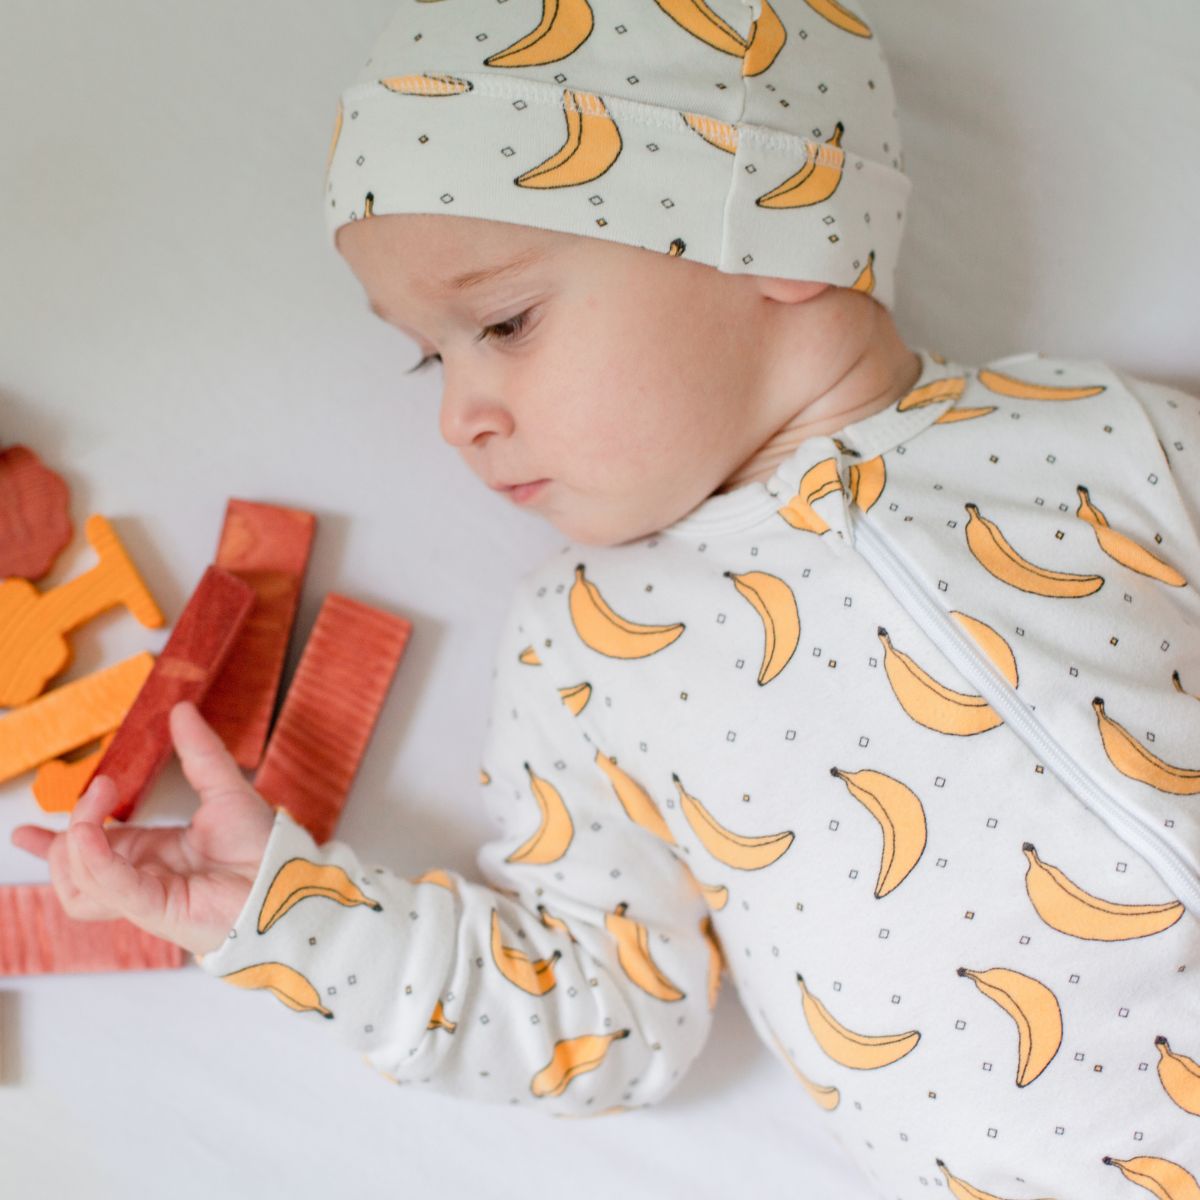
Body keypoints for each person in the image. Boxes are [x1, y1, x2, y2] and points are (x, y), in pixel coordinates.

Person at [12, 2, 1200, 1197]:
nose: (457, 416)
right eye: (432, 355)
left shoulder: (1103, 434)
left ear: (777, 224)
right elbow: (602, 1012)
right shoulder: (592, 649)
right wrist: (288, 919)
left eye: (504, 323)